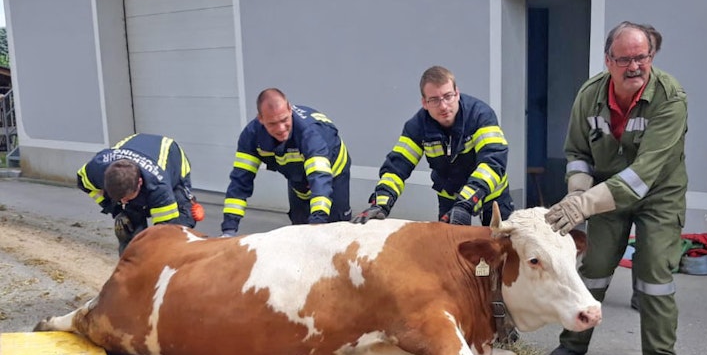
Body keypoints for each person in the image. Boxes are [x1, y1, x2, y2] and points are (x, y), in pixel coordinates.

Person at [544, 21, 688, 355]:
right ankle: (573, 343)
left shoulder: (670, 98)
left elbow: (644, 173)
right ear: (608, 60)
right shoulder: (589, 95)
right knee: (594, 269)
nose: (635, 66)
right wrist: (577, 194)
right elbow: (577, 153)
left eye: (642, 57)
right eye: (625, 59)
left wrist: (584, 205)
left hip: (658, 195)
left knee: (655, 273)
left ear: (651, 56)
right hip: (606, 194)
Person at [351, 66, 513, 226]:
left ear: (457, 94)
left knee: (502, 247)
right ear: (424, 103)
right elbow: (396, 168)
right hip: (450, 197)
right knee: (447, 250)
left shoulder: (480, 116)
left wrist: (467, 201)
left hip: (492, 196)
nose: (443, 106)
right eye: (434, 100)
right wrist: (381, 203)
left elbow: (493, 162)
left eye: (448, 96)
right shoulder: (416, 127)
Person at [221, 88, 351, 235]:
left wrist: (318, 222)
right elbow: (240, 181)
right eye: (272, 124)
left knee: (335, 229)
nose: (281, 129)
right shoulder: (251, 137)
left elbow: (320, 179)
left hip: (333, 174)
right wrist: (228, 230)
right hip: (297, 177)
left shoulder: (310, 132)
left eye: (284, 120)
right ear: (261, 119)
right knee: (299, 227)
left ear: (290, 109)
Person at [76, 133, 201, 254]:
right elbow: (84, 183)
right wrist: (116, 209)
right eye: (120, 198)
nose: (123, 202)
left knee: (176, 232)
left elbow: (165, 231)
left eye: (126, 198)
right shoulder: (96, 169)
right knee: (127, 225)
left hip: (172, 160)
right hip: (136, 148)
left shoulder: (159, 187)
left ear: (140, 183)